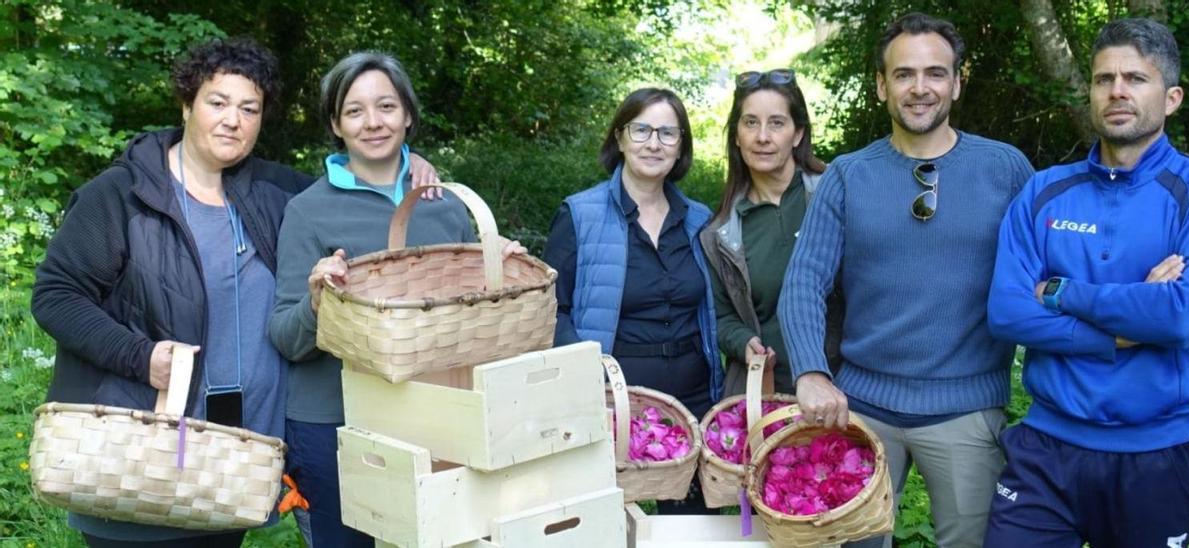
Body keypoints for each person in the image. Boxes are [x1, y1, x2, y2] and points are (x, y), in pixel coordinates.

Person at [30, 37, 301, 548]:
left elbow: (349, 190)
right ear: (186, 105)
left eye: (250, 109)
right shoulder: (120, 195)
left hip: (227, 466)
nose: (233, 120)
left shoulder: (271, 191)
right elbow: (55, 295)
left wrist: (404, 166)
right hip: (136, 464)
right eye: (217, 102)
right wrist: (141, 356)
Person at [778, 13, 1034, 548]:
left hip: (966, 409)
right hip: (862, 409)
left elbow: (1050, 265)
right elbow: (805, 281)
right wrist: (810, 372)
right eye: (904, 74)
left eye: (936, 73)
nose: (920, 88)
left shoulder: (1006, 169)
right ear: (881, 85)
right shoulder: (849, 175)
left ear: (958, 82)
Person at [983, 18, 1189, 548]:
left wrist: (1059, 292)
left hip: (1154, 457)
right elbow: (1007, 312)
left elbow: (1179, 315)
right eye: (1104, 79)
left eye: (1135, 79)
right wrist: (1123, 325)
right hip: (1046, 451)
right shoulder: (1044, 190)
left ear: (1171, 98)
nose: (1117, 91)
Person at [268, 51, 522, 548]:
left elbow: (469, 320)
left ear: (407, 114)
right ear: (336, 125)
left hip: (435, 414)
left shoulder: (444, 203)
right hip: (336, 424)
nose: (373, 122)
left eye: (386, 106)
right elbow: (285, 337)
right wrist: (317, 302)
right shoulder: (307, 210)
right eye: (355, 111)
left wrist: (502, 270)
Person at [543, 88, 720, 513]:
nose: (653, 143)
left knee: (687, 532)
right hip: (614, 402)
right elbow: (551, 309)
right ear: (619, 138)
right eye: (641, 130)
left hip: (692, 403)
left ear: (681, 148)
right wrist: (589, 377)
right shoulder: (579, 215)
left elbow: (717, 311)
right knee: (611, 525)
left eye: (667, 133)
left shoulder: (700, 220)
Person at [701, 69, 840, 396]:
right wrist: (742, 341)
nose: (762, 136)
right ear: (736, 135)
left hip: (850, 390)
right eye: (750, 123)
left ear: (797, 134)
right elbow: (719, 315)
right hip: (771, 396)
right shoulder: (720, 233)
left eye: (776, 123)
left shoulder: (835, 195)